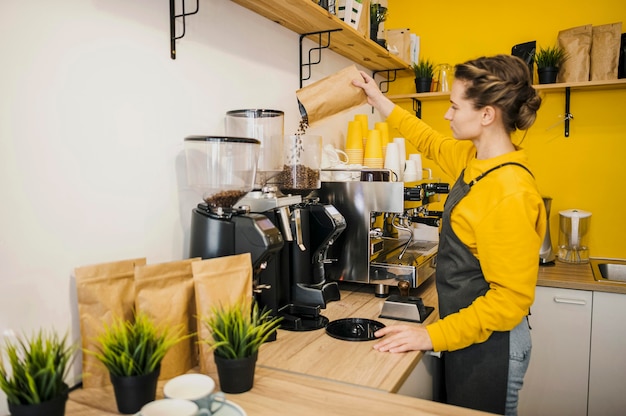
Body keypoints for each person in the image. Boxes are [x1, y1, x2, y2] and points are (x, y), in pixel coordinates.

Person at [352, 54, 546, 416]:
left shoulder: (510, 191)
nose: (447, 114)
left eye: (455, 106)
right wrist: (379, 100)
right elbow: (428, 140)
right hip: (470, 333)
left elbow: (509, 301)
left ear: (487, 114)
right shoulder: (475, 160)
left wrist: (430, 335)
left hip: (496, 345)